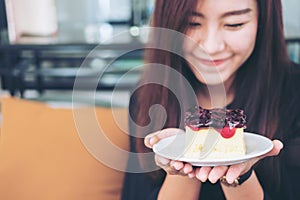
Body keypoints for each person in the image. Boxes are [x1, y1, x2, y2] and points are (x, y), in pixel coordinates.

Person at [121, 0, 300, 199]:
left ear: (264, 22)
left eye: (234, 23)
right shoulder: (148, 94)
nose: (211, 46)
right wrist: (184, 159)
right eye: (192, 23)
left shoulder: (294, 90)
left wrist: (240, 175)